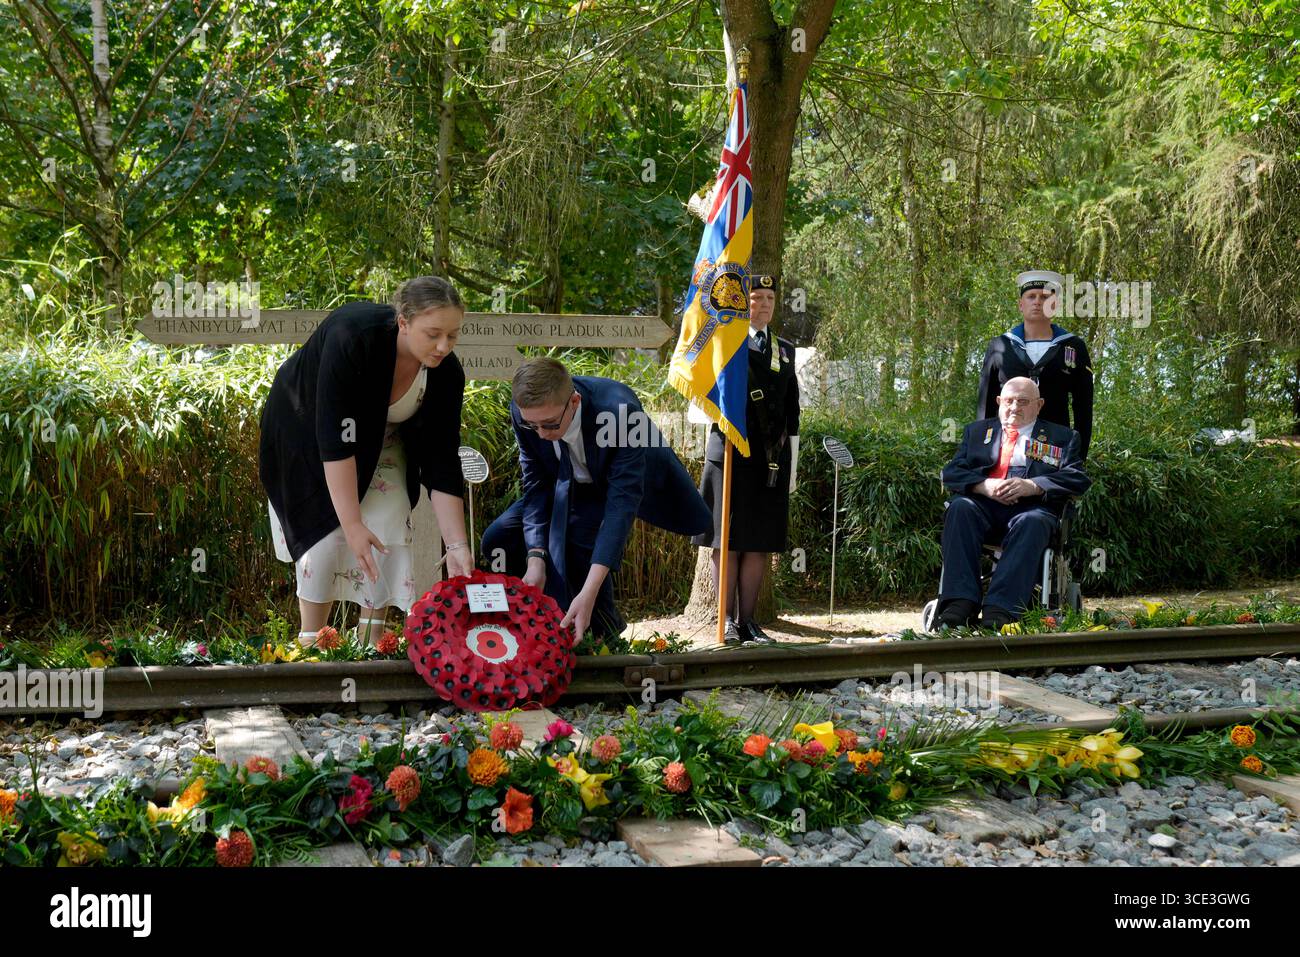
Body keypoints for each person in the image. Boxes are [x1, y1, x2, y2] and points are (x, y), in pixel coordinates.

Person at [258, 276, 474, 649]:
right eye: (433, 333)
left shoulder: (447, 374)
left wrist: (457, 547)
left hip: (385, 438)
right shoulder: (352, 335)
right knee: (328, 532)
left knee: (389, 520)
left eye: (452, 336)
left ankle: (371, 645)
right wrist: (352, 523)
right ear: (403, 322)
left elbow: (442, 460)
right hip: (307, 432)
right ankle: (313, 644)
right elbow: (334, 438)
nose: (443, 346)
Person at [481, 357, 711, 643]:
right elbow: (537, 484)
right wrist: (535, 557)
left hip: (616, 484)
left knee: (577, 539)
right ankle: (524, 626)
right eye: (533, 427)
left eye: (550, 425)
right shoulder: (526, 411)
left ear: (574, 401)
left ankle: (602, 636)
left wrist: (588, 593)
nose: (541, 435)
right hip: (562, 483)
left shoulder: (620, 412)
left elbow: (620, 505)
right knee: (498, 537)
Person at [690, 274, 800, 645]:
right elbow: (700, 400)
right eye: (756, 297)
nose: (764, 303)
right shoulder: (725, 344)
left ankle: (748, 621)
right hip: (731, 454)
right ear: (743, 302)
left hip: (769, 460)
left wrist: (792, 466)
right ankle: (726, 623)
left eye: (770, 297)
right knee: (729, 540)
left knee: (759, 541)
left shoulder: (785, 350)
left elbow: (792, 412)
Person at [936, 376, 1090, 630]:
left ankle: (1000, 608)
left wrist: (1033, 485)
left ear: (1039, 405)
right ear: (998, 402)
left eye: (1023, 401)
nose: (1014, 407)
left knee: (1035, 521)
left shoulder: (1062, 437)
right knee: (960, 508)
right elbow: (951, 472)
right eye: (1008, 400)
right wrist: (984, 485)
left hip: (1031, 509)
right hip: (983, 508)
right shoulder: (976, 432)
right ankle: (959, 604)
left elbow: (1077, 478)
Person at [977, 270, 1095, 459]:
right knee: (1005, 489)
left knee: (1045, 489)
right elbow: (985, 407)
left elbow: (1083, 408)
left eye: (1045, 297)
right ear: (1021, 305)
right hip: (1007, 450)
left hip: (1055, 450)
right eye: (1031, 296)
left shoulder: (1073, 346)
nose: (1038, 301)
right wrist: (983, 453)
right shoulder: (999, 346)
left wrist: (1078, 458)